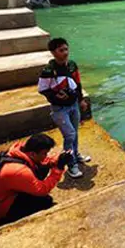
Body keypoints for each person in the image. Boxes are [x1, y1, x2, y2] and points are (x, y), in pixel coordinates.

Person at [0, 134, 71, 228]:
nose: (46, 156)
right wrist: (58, 169)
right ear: (33, 154)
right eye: (44, 153)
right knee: (44, 201)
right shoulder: (20, 171)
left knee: (41, 172)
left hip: (1, 195)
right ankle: (3, 223)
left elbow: (43, 161)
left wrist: (58, 159)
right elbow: (42, 190)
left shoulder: (21, 151)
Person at [38, 37, 91, 178]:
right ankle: (71, 164)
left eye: (66, 49)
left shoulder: (72, 65)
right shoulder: (48, 70)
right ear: (53, 52)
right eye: (61, 50)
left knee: (75, 132)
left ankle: (76, 154)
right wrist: (56, 98)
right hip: (59, 109)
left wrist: (81, 100)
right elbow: (43, 89)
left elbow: (78, 84)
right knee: (70, 135)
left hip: (73, 104)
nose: (65, 52)